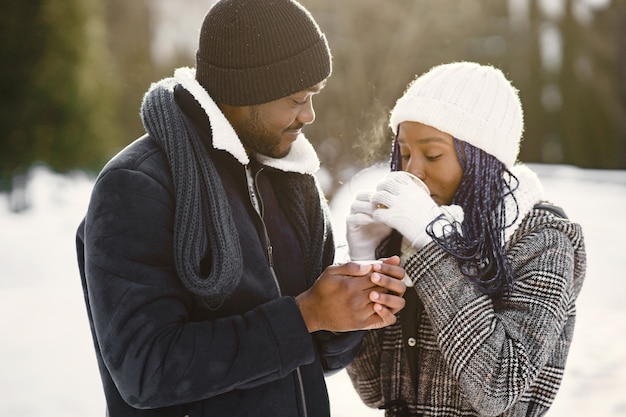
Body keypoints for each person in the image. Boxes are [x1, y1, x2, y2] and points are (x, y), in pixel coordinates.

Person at [75, 1, 407, 416]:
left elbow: (313, 357)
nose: (309, 114)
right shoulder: (138, 185)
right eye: (296, 99)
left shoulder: (289, 177)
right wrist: (304, 314)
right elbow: (144, 371)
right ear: (244, 90)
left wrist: (351, 305)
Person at [345, 62, 586, 416]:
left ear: (482, 160)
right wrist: (365, 264)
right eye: (405, 153)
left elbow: (498, 386)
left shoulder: (543, 240)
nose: (412, 171)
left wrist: (430, 243)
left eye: (432, 155)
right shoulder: (405, 235)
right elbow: (374, 390)